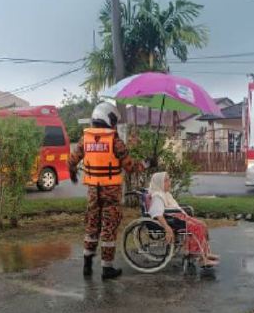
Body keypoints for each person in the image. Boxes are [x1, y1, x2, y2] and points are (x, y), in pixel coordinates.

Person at [68, 101, 144, 280]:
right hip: (111, 193)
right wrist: (147, 164)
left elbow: (71, 161)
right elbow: (131, 167)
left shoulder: (84, 139)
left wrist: (73, 175)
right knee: (109, 228)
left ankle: (87, 264)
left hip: (93, 192)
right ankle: (106, 268)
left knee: (92, 225)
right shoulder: (115, 142)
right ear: (109, 119)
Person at [147, 171, 219, 267]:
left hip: (177, 217)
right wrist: (167, 228)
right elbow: (157, 214)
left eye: (169, 179)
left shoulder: (165, 194)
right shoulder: (157, 196)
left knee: (202, 224)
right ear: (160, 183)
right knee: (197, 227)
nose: (170, 182)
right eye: (166, 180)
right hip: (173, 220)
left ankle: (204, 253)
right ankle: (200, 258)